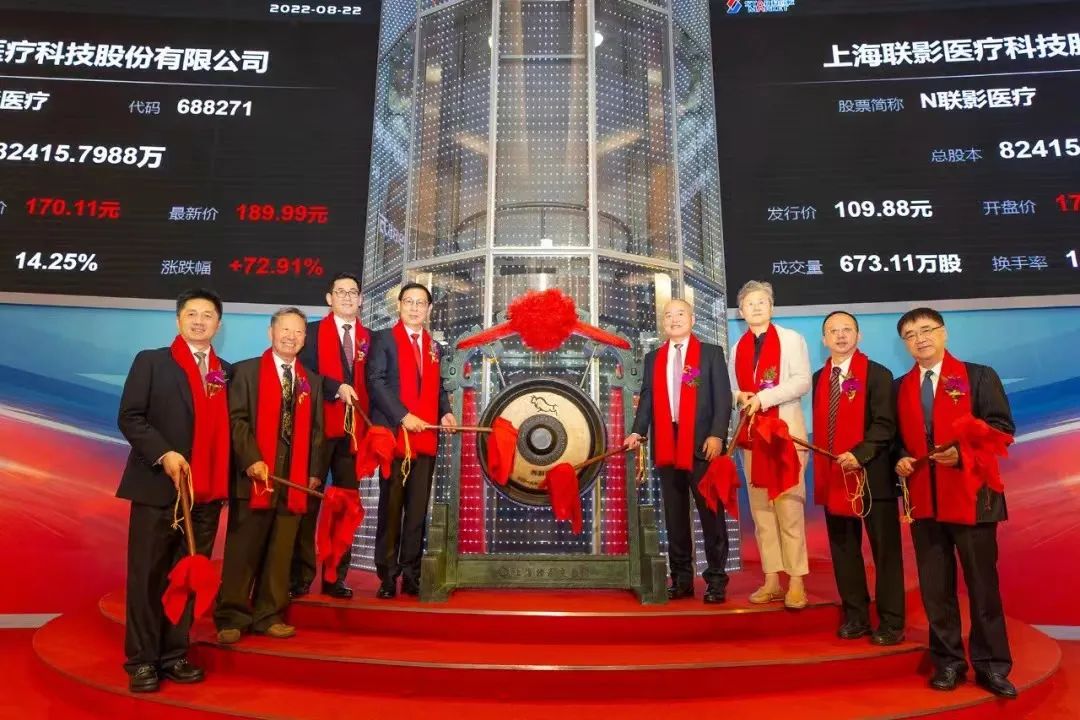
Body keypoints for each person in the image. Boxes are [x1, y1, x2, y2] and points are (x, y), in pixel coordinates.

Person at [894, 307, 1017, 698]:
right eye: (910, 335)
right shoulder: (900, 387)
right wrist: (900, 457)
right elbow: (896, 440)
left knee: (983, 588)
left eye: (927, 330)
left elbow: (1002, 430)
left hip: (973, 499)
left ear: (944, 332)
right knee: (936, 590)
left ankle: (992, 666)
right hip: (924, 502)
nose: (920, 339)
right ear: (905, 344)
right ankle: (948, 662)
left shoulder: (979, 376)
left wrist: (962, 455)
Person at [116, 288, 231, 692]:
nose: (199, 321)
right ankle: (142, 661)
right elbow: (130, 417)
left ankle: (174, 655)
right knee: (148, 577)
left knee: (187, 576)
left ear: (218, 324)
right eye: (192, 314)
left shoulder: (225, 372)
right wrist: (164, 453)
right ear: (178, 320)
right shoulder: (152, 361)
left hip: (205, 496)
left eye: (207, 315)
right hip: (158, 489)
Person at [215, 308, 327, 643]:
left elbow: (317, 432)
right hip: (254, 478)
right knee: (243, 550)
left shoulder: (311, 381)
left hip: (293, 481)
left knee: (281, 552)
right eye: (285, 330)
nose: (291, 337)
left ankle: (269, 614)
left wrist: (314, 473)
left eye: (298, 332)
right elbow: (236, 421)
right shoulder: (245, 372)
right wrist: (251, 460)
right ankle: (231, 616)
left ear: (305, 339)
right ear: (271, 332)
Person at [624, 299, 733, 603]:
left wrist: (716, 435)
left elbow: (723, 398)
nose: (674, 319)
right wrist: (637, 431)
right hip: (667, 444)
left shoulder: (710, 353)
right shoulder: (654, 359)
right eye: (668, 315)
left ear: (692, 319)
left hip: (703, 445)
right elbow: (647, 399)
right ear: (663, 323)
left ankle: (716, 580)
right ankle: (682, 579)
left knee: (711, 515)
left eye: (680, 314)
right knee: (674, 517)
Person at [813, 311, 904, 645]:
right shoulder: (819, 378)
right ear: (824, 339)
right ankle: (856, 617)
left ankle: (892, 623)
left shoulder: (878, 374)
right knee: (844, 551)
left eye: (847, 330)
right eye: (833, 331)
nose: (840, 336)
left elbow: (885, 425)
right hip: (834, 476)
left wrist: (859, 454)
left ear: (858, 335)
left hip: (873, 477)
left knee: (885, 553)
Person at [367, 282, 456, 599]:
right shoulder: (384, 339)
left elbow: (438, 387)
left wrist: (445, 412)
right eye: (409, 301)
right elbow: (375, 381)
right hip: (395, 437)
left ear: (429, 309)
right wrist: (403, 416)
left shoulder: (434, 346)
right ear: (400, 305)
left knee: (417, 512)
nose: (415, 307)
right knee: (391, 510)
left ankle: (411, 574)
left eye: (421, 303)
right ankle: (387, 576)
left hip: (426, 437)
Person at [728, 280, 812, 609]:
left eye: (762, 302)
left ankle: (797, 581)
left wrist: (763, 398)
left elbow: (802, 381)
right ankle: (772, 578)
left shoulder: (791, 339)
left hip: (784, 437)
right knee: (762, 513)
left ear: (772, 307)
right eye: (749, 304)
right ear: (741, 311)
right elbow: (733, 389)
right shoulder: (738, 347)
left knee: (789, 510)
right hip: (752, 440)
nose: (756, 307)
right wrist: (740, 396)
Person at [290, 272, 369, 600]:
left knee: (346, 506)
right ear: (329, 298)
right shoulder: (310, 333)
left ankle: (336, 576)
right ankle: (301, 575)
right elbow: (303, 374)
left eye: (353, 292)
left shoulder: (369, 338)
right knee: (308, 503)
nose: (347, 297)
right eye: (341, 292)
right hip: (317, 430)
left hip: (354, 435)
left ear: (360, 299)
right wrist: (336, 387)